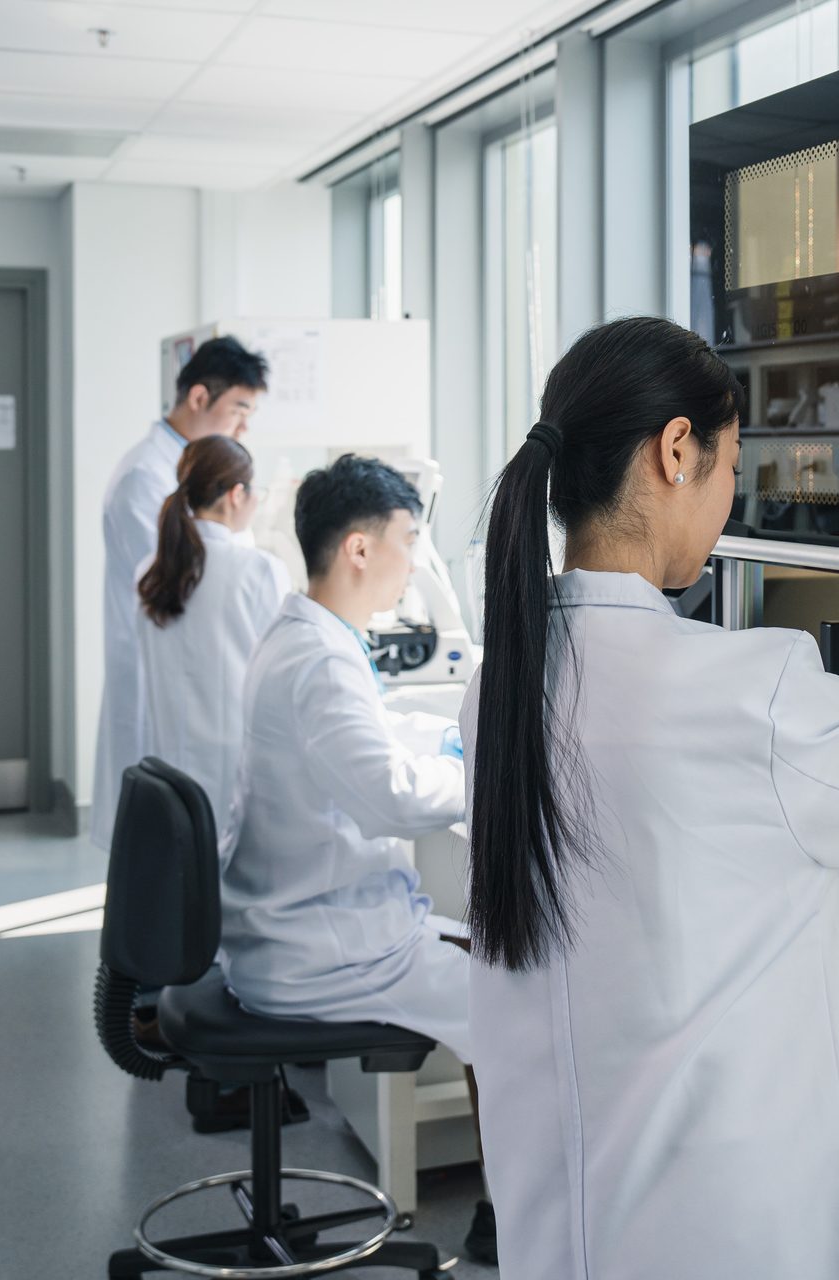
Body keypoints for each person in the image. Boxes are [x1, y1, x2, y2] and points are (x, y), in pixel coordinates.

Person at [461, 316, 839, 1279]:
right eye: (732, 460)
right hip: (727, 1238)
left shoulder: (502, 686)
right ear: (675, 451)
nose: (732, 494)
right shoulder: (748, 694)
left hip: (564, 1233)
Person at [219, 453, 494, 1263]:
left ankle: (507, 1195)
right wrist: (482, 772)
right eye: (409, 539)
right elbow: (392, 799)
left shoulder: (304, 634)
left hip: (296, 925)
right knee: (516, 1001)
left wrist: (439, 739)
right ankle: (512, 1210)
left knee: (490, 964)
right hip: (322, 950)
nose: (415, 561)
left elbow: (359, 740)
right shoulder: (320, 660)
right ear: (360, 550)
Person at [92, 336, 267, 849]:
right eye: (239, 408)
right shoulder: (146, 476)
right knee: (167, 844)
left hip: (186, 678)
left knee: (180, 843)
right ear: (197, 398)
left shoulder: (182, 468)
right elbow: (189, 578)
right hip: (164, 679)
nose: (243, 425)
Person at [134, 436, 291, 831]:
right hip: (237, 772)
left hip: (167, 769)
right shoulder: (257, 571)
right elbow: (281, 675)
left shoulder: (150, 572)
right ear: (237, 494)